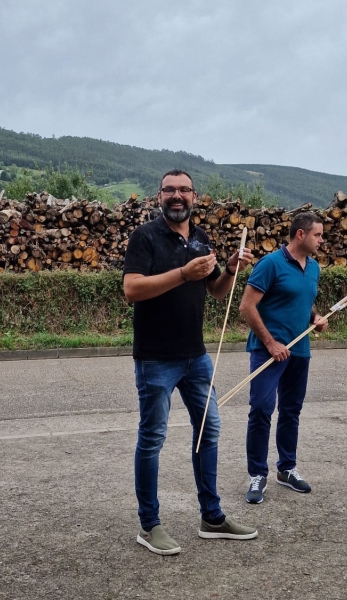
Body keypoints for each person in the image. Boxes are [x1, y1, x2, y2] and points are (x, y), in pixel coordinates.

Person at [123, 169, 257, 555]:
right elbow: (131, 290)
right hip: (155, 359)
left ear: (195, 197)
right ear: (159, 196)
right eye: (170, 190)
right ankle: (149, 526)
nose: (177, 196)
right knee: (152, 440)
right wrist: (183, 274)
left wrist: (230, 269)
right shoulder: (144, 237)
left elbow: (216, 291)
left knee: (208, 432)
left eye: (184, 190)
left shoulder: (201, 239)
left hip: (196, 357)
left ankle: (211, 517)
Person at [239, 211, 328, 504]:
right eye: (317, 234)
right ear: (300, 234)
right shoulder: (270, 264)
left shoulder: (313, 267)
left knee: (291, 411)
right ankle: (257, 474)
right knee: (262, 410)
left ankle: (286, 469)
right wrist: (270, 342)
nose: (321, 239)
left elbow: (304, 302)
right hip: (267, 351)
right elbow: (246, 307)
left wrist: (315, 317)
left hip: (300, 351)